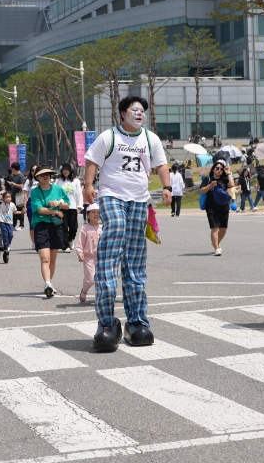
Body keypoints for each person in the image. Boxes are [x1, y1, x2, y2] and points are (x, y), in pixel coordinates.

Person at [83, 95, 171, 351]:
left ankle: (136, 322)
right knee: (116, 231)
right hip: (111, 195)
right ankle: (107, 323)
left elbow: (161, 164)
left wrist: (166, 187)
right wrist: (89, 186)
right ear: (123, 113)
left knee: (134, 261)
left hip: (139, 199)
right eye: (134, 110)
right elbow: (92, 162)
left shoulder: (150, 138)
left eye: (142, 110)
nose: (139, 113)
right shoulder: (109, 137)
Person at [30, 168, 70, 297]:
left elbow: (67, 204)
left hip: (55, 225)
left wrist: (59, 203)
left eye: (47, 174)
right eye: (42, 175)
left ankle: (50, 283)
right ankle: (47, 283)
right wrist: (55, 211)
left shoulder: (58, 189)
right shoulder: (35, 192)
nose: (45, 176)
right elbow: (40, 210)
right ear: (37, 178)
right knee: (45, 258)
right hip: (41, 226)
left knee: (53, 259)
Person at [200, 161, 234, 255]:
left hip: (223, 206)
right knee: (214, 227)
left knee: (223, 228)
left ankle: (216, 243)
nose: (219, 170)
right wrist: (210, 185)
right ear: (213, 169)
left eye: (221, 169)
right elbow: (202, 191)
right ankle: (217, 248)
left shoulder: (224, 179)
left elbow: (231, 185)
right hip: (211, 206)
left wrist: (229, 173)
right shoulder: (208, 179)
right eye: (217, 168)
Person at [75, 203, 102, 303]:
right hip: (89, 257)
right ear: (88, 215)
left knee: (101, 279)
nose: (96, 214)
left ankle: (100, 296)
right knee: (90, 279)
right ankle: (84, 291)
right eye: (93, 212)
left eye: (98, 212)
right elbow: (80, 243)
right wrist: (80, 253)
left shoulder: (102, 228)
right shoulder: (85, 228)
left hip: (101, 258)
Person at [55, 163, 82, 252]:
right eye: (63, 169)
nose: (65, 171)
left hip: (73, 207)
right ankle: (65, 245)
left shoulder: (76, 181)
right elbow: (55, 193)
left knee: (74, 227)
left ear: (70, 170)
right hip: (62, 207)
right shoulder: (59, 181)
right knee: (64, 226)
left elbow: (79, 194)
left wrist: (79, 206)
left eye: (66, 169)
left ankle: (70, 239)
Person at [4, 163, 26, 230]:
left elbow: (22, 186)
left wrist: (14, 184)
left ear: (13, 168)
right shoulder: (14, 175)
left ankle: (21, 225)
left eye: (11, 168)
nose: (11, 169)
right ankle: (13, 225)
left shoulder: (21, 176)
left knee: (20, 209)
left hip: (19, 196)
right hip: (13, 195)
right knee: (13, 210)